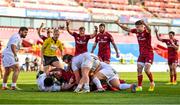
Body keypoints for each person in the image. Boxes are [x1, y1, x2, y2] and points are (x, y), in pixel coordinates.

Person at [115, 19, 155, 91]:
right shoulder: (136, 31)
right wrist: (118, 24)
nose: (137, 29)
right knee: (139, 69)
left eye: (138, 27)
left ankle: (152, 82)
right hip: (141, 54)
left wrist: (145, 23)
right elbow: (127, 29)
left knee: (146, 70)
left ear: (142, 26)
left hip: (149, 53)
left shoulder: (146, 32)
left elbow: (150, 29)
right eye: (136, 27)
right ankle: (139, 86)